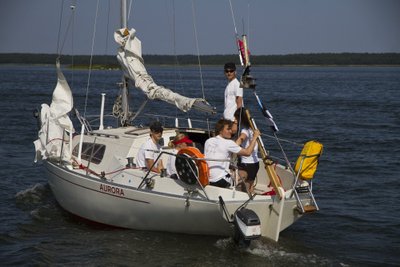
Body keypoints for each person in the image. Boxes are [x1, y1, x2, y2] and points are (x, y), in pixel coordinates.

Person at [204, 119, 260, 188]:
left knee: (231, 169)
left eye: (230, 129)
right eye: (228, 129)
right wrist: (254, 137)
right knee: (244, 174)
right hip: (219, 181)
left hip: (206, 178)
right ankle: (231, 191)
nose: (231, 131)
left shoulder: (208, 141)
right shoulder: (229, 143)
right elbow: (248, 152)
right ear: (220, 130)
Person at [234, 107, 260, 193]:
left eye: (236, 118)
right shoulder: (254, 129)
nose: (235, 120)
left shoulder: (245, 130)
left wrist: (234, 146)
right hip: (255, 162)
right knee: (251, 185)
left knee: (244, 187)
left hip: (246, 163)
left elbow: (241, 138)